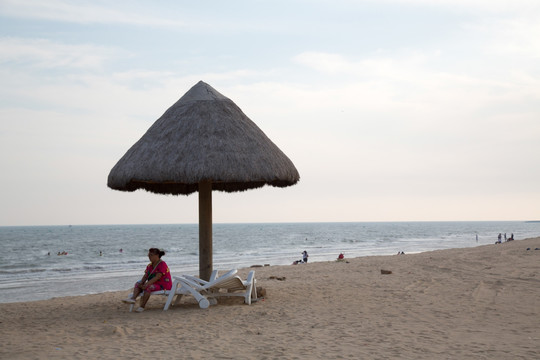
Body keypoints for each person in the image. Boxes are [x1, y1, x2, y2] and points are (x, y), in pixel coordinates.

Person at [122, 248, 172, 312]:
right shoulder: (150, 266)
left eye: (151, 255)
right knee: (138, 283)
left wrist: (147, 284)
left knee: (148, 287)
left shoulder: (162, 264)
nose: (149, 257)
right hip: (154, 283)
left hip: (163, 285)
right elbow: (146, 276)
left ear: (157, 255)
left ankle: (142, 306)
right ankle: (133, 299)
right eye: (148, 255)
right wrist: (142, 282)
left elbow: (158, 277)